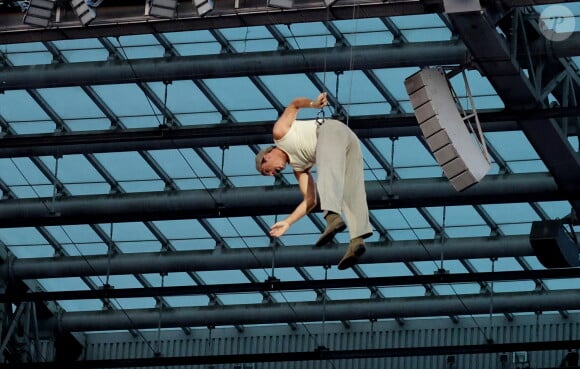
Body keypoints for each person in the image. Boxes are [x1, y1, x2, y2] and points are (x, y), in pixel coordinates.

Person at [255, 92, 373, 270]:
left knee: (326, 168)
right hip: (349, 139)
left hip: (329, 130)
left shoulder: (279, 134)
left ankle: (332, 217)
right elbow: (310, 200)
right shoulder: (299, 168)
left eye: (267, 170)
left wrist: (313, 104)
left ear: (267, 156)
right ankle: (357, 240)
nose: (272, 174)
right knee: (352, 189)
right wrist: (288, 222)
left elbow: (294, 104)